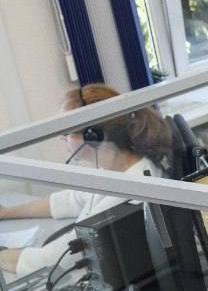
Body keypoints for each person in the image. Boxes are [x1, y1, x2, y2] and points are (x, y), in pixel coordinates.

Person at [0, 84, 172, 276]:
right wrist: (6, 213)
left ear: (92, 135)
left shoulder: (129, 189)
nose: (62, 138)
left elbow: (54, 258)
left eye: (67, 133)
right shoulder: (118, 167)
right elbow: (69, 200)